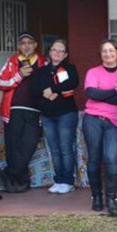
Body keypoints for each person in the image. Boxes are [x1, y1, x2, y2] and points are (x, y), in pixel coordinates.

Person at [82, 39, 117, 216]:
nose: (108, 54)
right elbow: (91, 93)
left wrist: (102, 95)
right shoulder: (93, 72)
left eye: (111, 51)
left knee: (111, 159)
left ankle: (111, 198)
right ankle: (96, 197)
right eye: (104, 51)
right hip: (92, 120)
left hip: (114, 122)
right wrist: (114, 91)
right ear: (100, 54)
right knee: (94, 158)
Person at [0, 31, 47, 193]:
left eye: (29, 42)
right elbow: (0, 82)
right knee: (13, 147)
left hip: (35, 111)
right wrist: (18, 75)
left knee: (28, 145)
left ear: (35, 45)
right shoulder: (12, 61)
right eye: (23, 43)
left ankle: (6, 175)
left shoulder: (43, 62)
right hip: (14, 110)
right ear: (18, 46)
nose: (26, 46)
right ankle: (19, 183)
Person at [32, 38, 80, 195]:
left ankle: (68, 181)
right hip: (47, 115)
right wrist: (46, 93)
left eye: (61, 50)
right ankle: (58, 179)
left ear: (65, 55)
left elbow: (72, 83)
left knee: (66, 148)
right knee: (54, 149)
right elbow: (34, 89)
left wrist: (53, 89)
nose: (57, 53)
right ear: (49, 51)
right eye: (54, 49)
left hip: (66, 114)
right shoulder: (41, 71)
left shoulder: (69, 69)